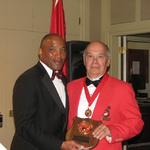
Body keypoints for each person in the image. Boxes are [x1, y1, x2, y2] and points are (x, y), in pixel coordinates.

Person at [67, 41, 144, 150]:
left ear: (107, 62)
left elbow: (136, 123)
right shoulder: (71, 87)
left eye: (100, 57)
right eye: (90, 56)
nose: (94, 62)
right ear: (84, 61)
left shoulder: (122, 89)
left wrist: (111, 130)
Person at [10, 33, 81, 150]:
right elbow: (24, 126)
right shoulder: (27, 79)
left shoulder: (64, 80)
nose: (59, 56)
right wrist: (59, 145)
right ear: (40, 52)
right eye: (52, 50)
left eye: (62, 50)